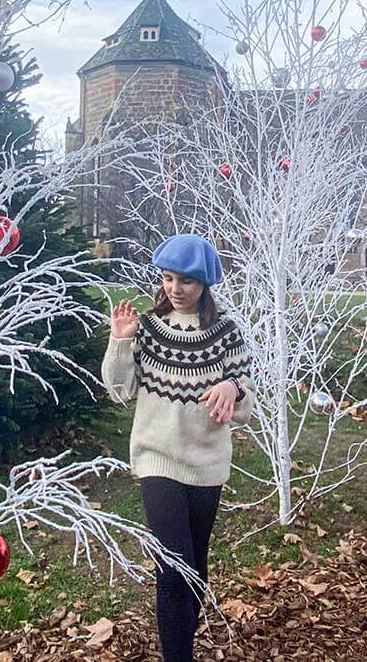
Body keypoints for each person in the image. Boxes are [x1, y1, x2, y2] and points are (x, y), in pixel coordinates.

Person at [101, 233, 255, 662]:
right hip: (156, 458)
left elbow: (245, 404)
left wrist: (233, 386)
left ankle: (180, 642)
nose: (175, 288)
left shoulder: (225, 333)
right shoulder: (148, 328)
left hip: (206, 463)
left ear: (205, 284)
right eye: (168, 278)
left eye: (185, 281)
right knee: (174, 567)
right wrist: (120, 342)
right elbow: (119, 390)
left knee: (196, 569)